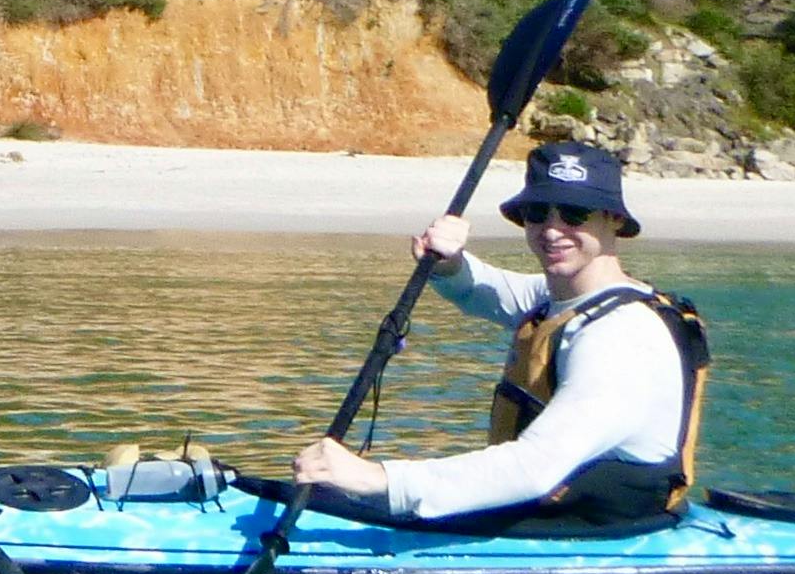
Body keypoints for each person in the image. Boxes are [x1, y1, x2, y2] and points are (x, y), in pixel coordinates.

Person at [285, 138, 703, 527]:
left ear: (613, 220)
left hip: (599, 525)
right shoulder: (562, 298)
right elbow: (484, 290)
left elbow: (536, 467)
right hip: (559, 509)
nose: (552, 230)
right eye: (538, 213)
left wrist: (378, 479)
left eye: (574, 214)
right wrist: (449, 264)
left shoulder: (621, 337)